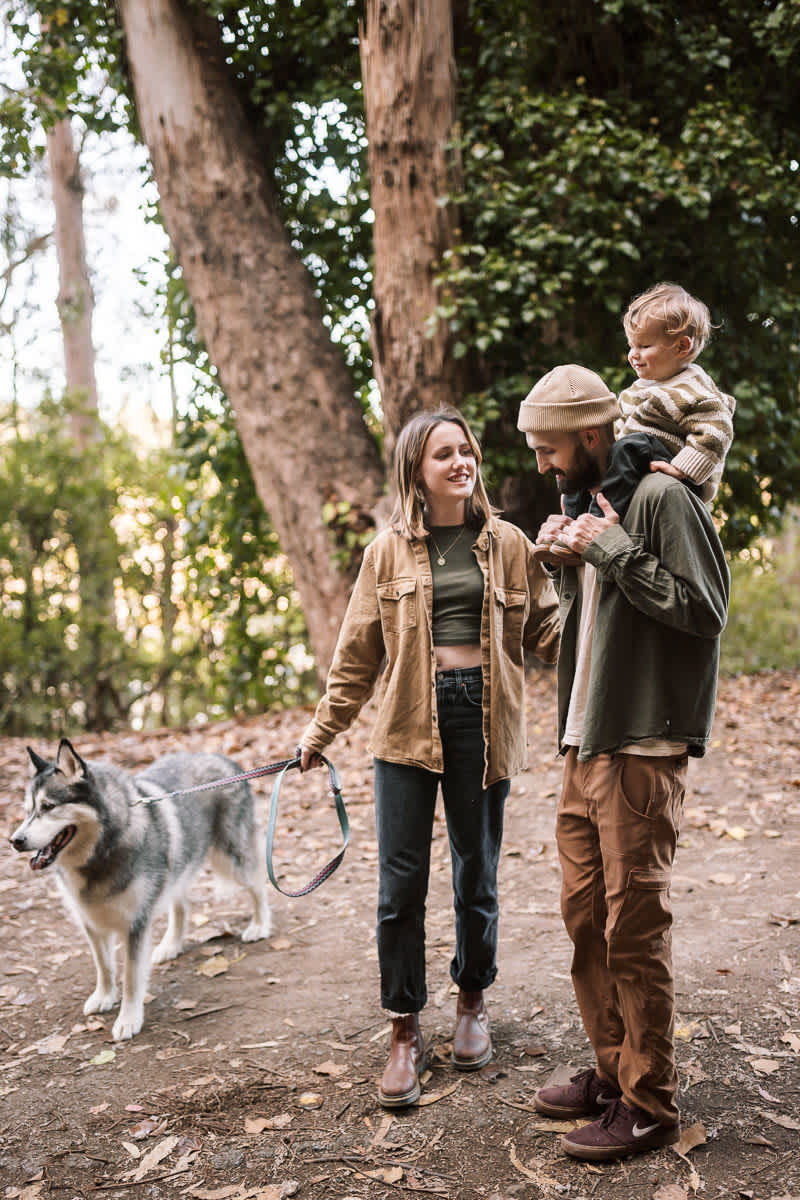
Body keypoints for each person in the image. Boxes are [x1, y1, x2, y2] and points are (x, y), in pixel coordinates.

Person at [299, 408, 560, 1108]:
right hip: (407, 727)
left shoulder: (509, 543)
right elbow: (357, 655)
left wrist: (591, 566)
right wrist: (321, 733)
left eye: (466, 450)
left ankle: (472, 1000)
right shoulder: (386, 552)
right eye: (443, 453)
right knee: (398, 889)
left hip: (484, 720)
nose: (460, 462)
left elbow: (552, 634)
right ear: (417, 468)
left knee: (477, 872)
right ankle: (404, 1028)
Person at [516, 364, 730, 1161]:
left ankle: (649, 1106)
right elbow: (603, 621)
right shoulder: (590, 501)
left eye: (549, 448)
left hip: (643, 743)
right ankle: (613, 1074)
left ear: (594, 436)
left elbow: (704, 611)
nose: (541, 464)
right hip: (586, 737)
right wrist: (567, 564)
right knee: (583, 918)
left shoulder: (664, 497)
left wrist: (612, 550)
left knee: (632, 929)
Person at [559, 282, 735, 526]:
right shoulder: (637, 389)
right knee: (586, 457)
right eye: (632, 345)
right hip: (630, 464)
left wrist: (682, 469)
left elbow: (719, 431)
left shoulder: (695, 389)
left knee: (632, 445)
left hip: (676, 477)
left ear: (682, 346)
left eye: (644, 346)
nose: (633, 354)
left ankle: (597, 520)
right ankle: (570, 523)